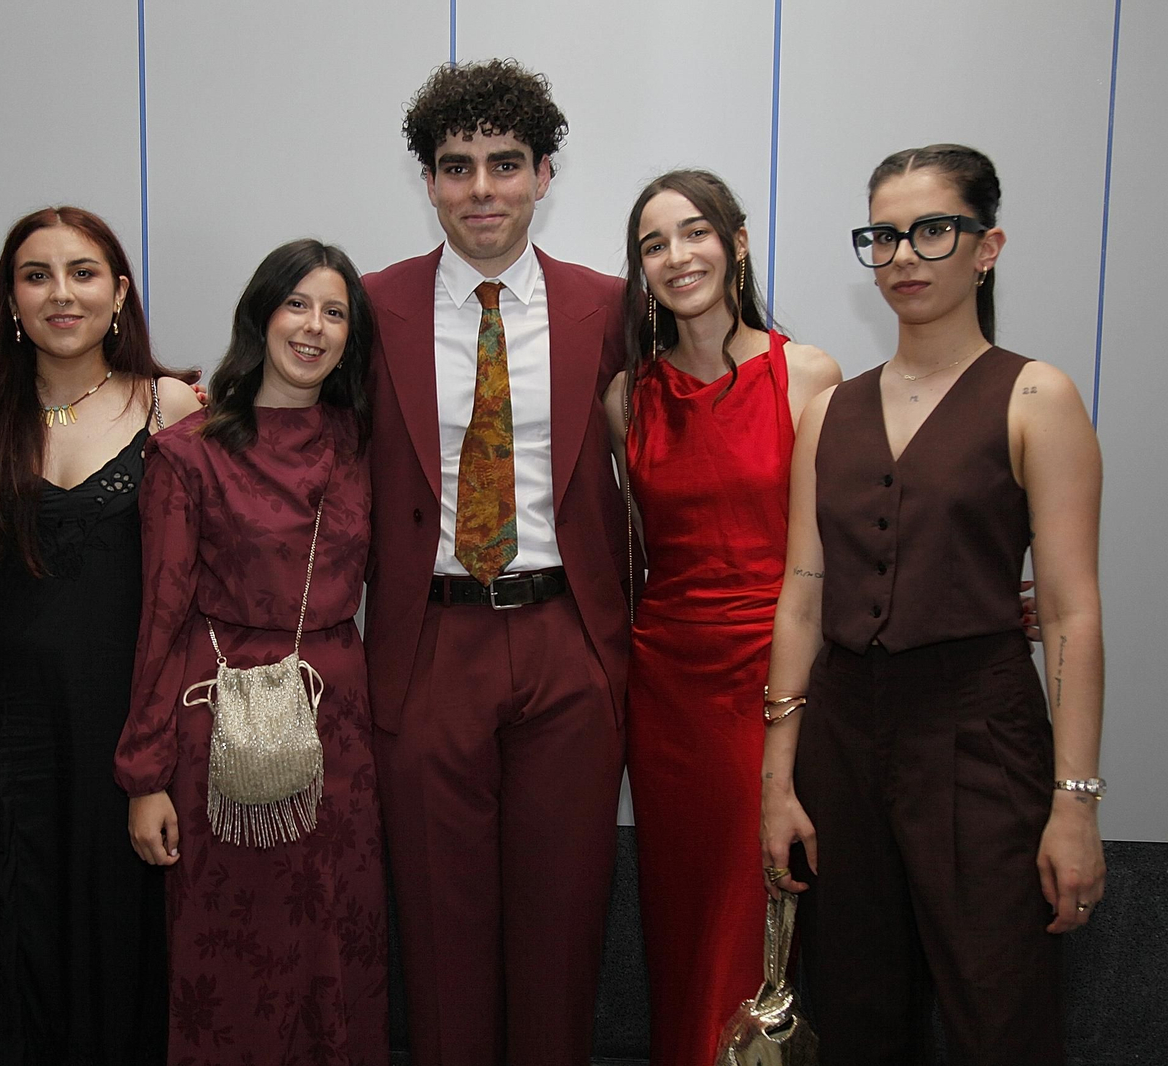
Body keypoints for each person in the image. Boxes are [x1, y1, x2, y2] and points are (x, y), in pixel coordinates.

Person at [759, 144, 1106, 1066]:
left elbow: (1071, 614)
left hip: (980, 733)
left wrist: (1075, 803)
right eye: (884, 235)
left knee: (1001, 1009)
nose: (904, 255)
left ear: (987, 246)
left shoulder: (1037, 396)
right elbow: (803, 593)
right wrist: (778, 779)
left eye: (932, 230)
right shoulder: (831, 411)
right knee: (857, 1005)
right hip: (843, 737)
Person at [361, 59, 632, 1065]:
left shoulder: (609, 308)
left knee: (563, 923)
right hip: (428, 642)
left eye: (504, 164)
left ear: (543, 175)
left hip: (568, 641)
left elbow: (700, 438)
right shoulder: (366, 306)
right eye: (456, 165)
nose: (481, 189)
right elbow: (285, 430)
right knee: (438, 927)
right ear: (427, 180)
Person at [115, 239, 386, 1064]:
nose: (313, 327)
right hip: (224, 730)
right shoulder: (187, 451)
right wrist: (144, 778)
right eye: (297, 305)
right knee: (233, 949)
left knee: (341, 939)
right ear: (260, 315)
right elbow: (159, 620)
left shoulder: (366, 444)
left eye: (335, 312)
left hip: (339, 724)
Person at [0, 206, 200, 1065]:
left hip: (119, 722)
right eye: (36, 275)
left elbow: (202, 581)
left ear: (119, 293)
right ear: (10, 301)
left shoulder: (168, 405)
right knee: (13, 922)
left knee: (117, 928)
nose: (62, 294)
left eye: (84, 273)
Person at [603, 169, 840, 1066]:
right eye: (654, 244)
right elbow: (637, 552)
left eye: (695, 233)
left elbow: (838, 545)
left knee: (758, 901)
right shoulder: (626, 400)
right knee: (682, 912)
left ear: (736, 244)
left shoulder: (805, 373)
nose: (677, 256)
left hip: (775, 674)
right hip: (667, 690)